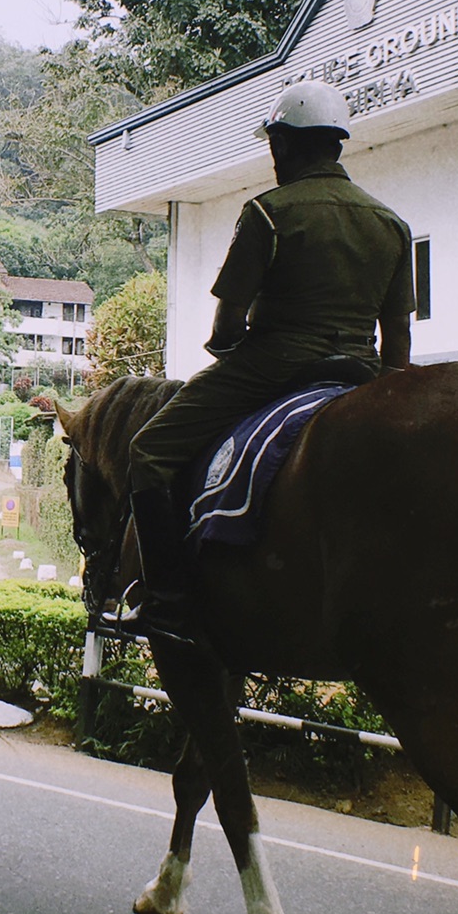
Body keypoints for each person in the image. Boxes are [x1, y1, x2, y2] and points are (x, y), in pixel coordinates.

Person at [106, 79, 414, 643]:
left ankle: (166, 599)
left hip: (274, 366)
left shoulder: (268, 213)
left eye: (275, 145)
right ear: (336, 144)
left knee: (147, 451)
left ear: (284, 146)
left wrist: (230, 355)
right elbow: (398, 343)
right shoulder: (391, 223)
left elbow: (227, 325)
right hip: (361, 372)